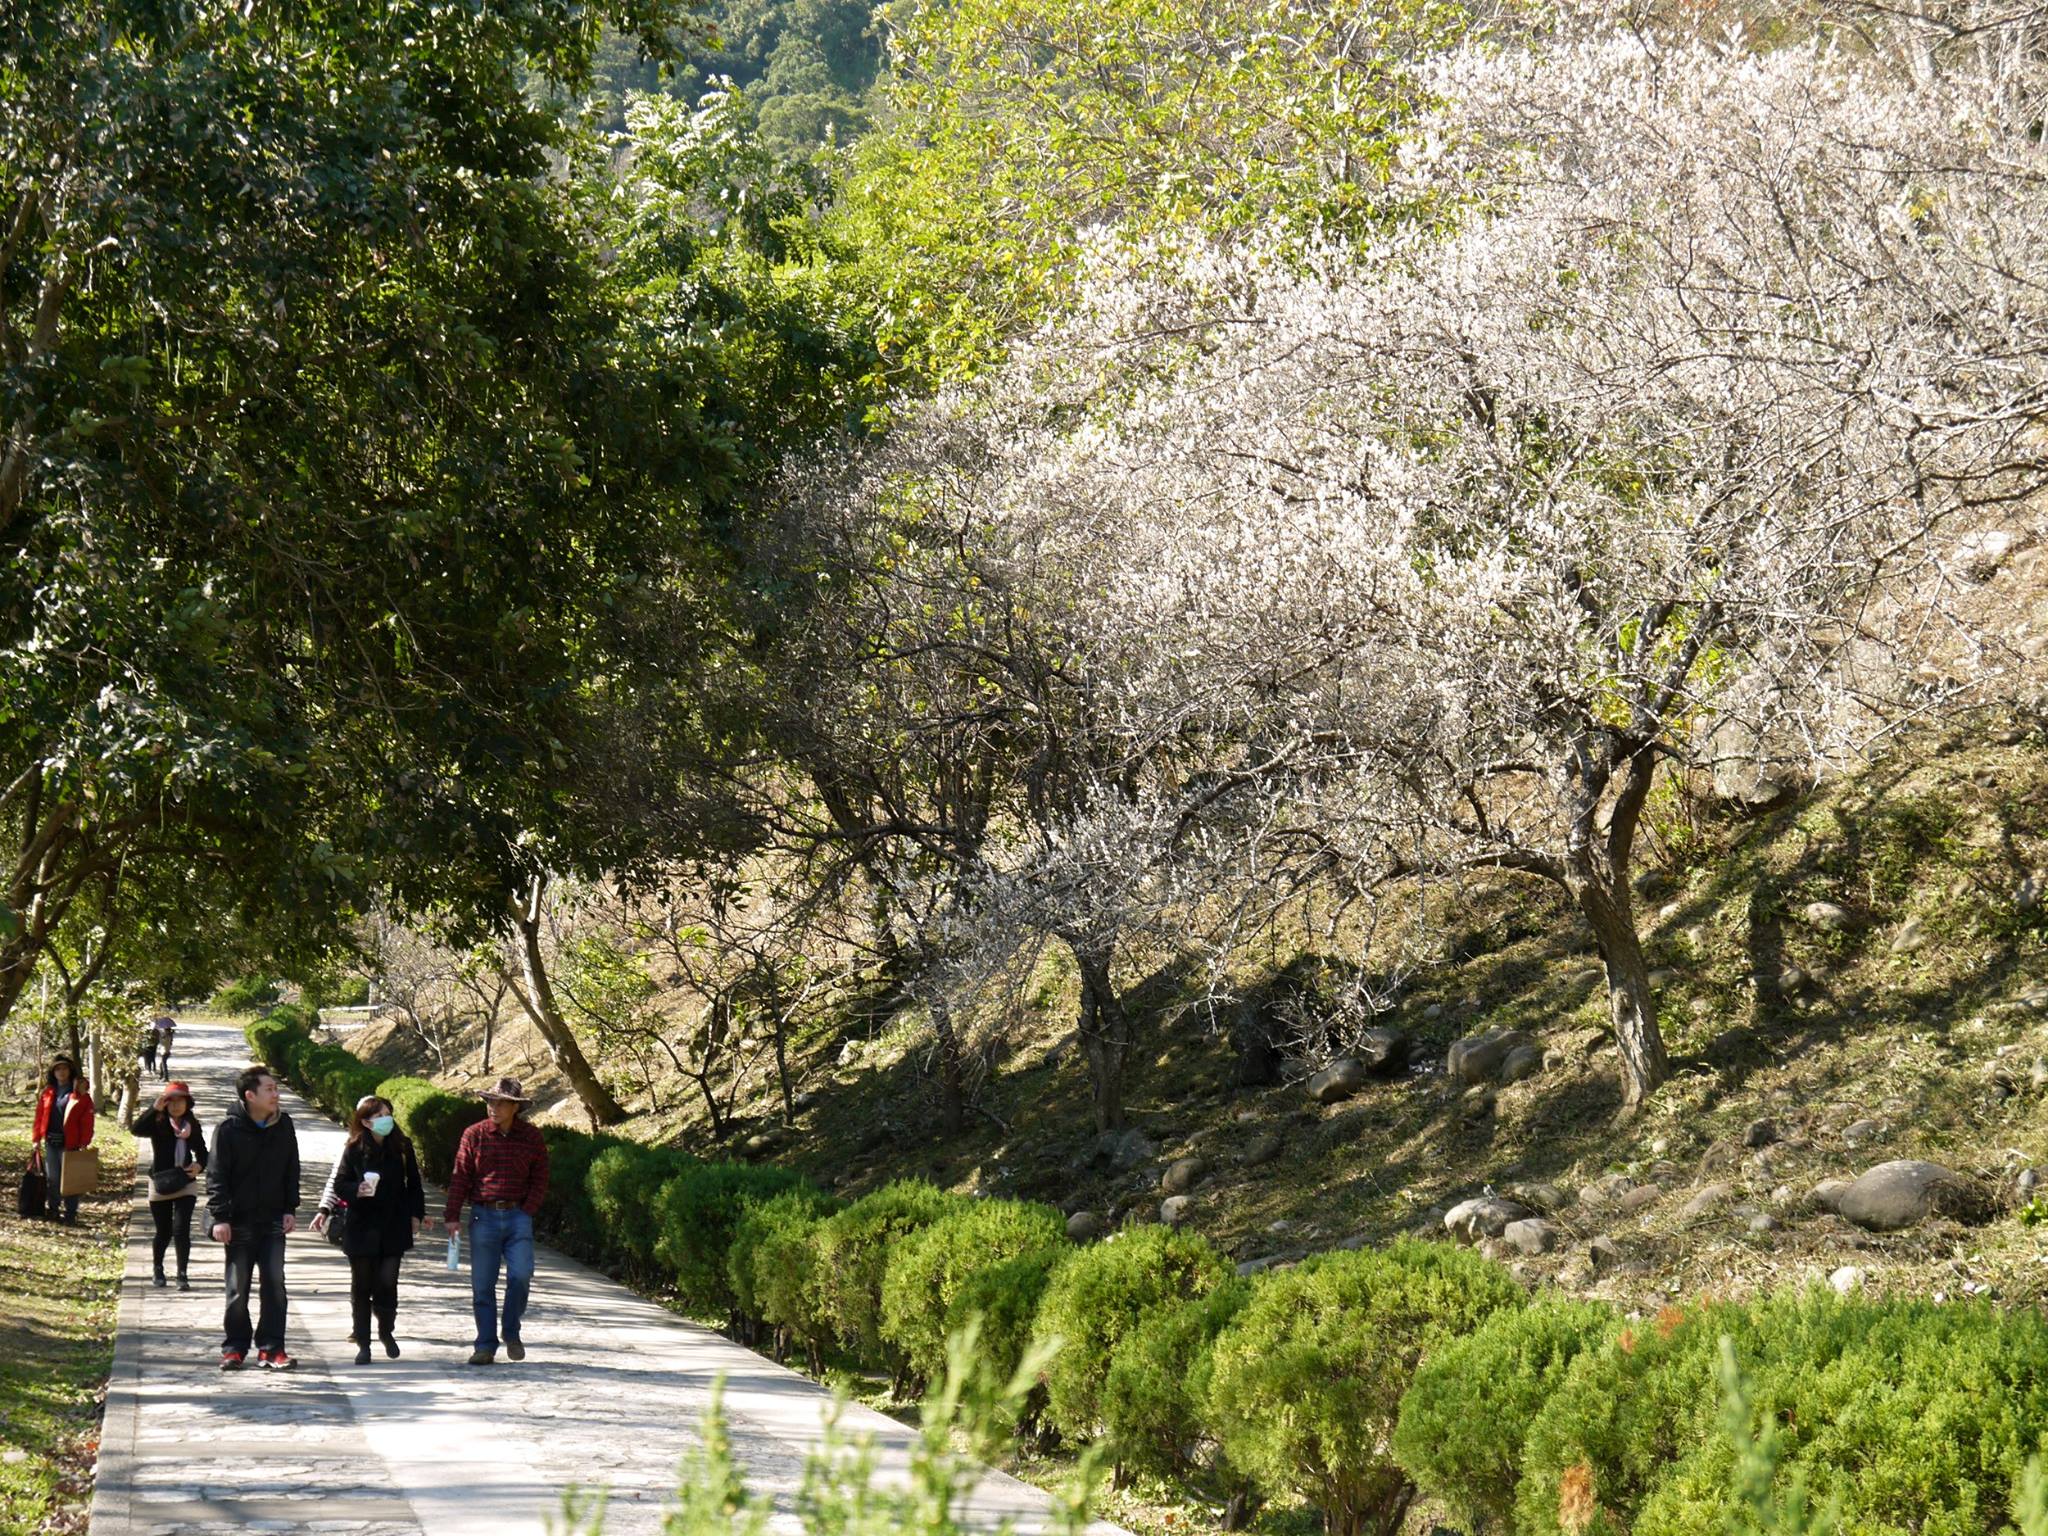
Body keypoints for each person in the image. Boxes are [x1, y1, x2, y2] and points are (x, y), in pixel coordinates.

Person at [312, 1095, 425, 1365]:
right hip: (361, 1225)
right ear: (365, 1121)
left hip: (394, 1224)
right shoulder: (353, 1148)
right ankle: (363, 1342)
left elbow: (414, 1185)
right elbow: (339, 1183)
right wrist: (357, 1190)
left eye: (388, 1113)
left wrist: (417, 1215)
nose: (386, 1119)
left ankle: (386, 1330)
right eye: (379, 1115)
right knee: (361, 1286)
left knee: (388, 1281)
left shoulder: (402, 1146)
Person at [442, 1077, 548, 1365]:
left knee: (521, 1274)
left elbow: (540, 1176)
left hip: (518, 1217)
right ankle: (485, 1345)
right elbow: (460, 1175)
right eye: (490, 1101)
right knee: (482, 1285)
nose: (493, 1107)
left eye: (500, 1103)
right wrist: (452, 1216)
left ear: (515, 1107)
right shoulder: (474, 1135)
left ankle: (511, 1331)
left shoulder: (531, 1137)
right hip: (483, 1214)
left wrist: (528, 1208)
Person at [205, 1066, 301, 1371]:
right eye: (269, 1089)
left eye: (276, 1088)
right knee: (237, 1288)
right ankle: (235, 1347)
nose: (276, 1094)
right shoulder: (228, 1129)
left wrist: (290, 1208)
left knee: (275, 1284)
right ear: (250, 1095)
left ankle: (272, 1348)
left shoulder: (283, 1125)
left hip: (273, 1220)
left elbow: (291, 1169)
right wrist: (221, 1217)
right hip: (238, 1221)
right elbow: (216, 1176)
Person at [131, 1081, 208, 1289]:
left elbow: (203, 1152)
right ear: (165, 1103)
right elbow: (136, 1130)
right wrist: (153, 1108)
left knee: (181, 1229)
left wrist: (199, 1166)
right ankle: (158, 1268)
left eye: (180, 1101)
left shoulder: (192, 1125)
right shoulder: (157, 1122)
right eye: (171, 1101)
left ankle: (182, 1274)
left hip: (185, 1181)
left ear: (187, 1103)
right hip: (161, 1181)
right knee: (163, 1231)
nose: (175, 1106)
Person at [30, 1054, 95, 1223]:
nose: (61, 1072)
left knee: (70, 1180)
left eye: (64, 1068)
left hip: (70, 1144)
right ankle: (53, 1209)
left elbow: (87, 1121)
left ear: (70, 1070)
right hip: (51, 1141)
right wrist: (36, 1139)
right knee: (53, 1179)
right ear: (53, 1071)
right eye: (57, 1069)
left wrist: (83, 1142)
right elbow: (39, 1117)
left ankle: (70, 1214)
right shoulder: (48, 1092)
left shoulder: (79, 1094)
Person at [152, 1016, 177, 1081]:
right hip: (165, 1051)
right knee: (161, 1064)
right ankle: (161, 1076)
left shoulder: (167, 1036)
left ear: (166, 1030)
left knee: (163, 1065)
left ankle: (166, 1077)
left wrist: (161, 1037)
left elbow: (163, 1042)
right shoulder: (168, 1036)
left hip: (165, 1051)